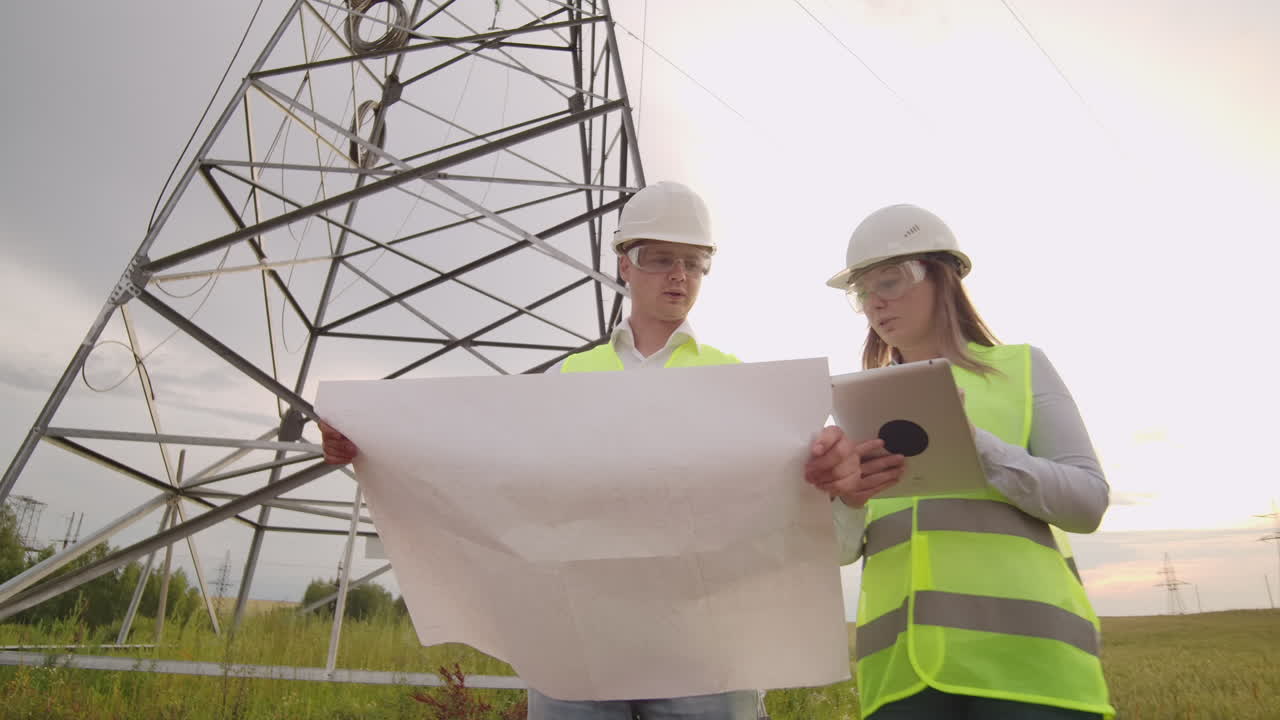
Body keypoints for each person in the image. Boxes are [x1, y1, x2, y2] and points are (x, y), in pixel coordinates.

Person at [320, 181, 906, 720]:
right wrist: (369, 448)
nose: (679, 275)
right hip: (580, 652)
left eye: (694, 262)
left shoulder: (741, 386)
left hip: (705, 656)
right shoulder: (572, 376)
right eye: (660, 258)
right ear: (624, 263)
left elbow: (812, 534)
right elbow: (490, 483)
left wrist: (833, 481)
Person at [824, 204, 1115, 720]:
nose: (874, 304)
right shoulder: (860, 404)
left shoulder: (1022, 369)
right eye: (862, 293)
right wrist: (847, 499)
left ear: (943, 276)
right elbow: (843, 551)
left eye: (888, 283)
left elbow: (1087, 502)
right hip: (901, 681)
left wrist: (977, 443)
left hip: (1031, 673)